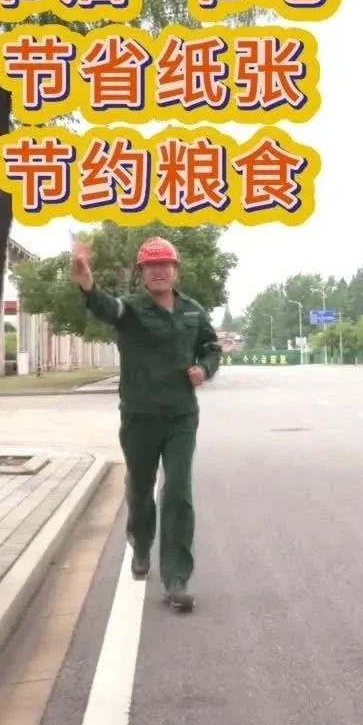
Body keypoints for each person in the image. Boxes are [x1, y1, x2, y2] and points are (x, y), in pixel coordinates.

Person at [72, 235, 221, 612]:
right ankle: (140, 543)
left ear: (175, 270)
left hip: (181, 417)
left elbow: (211, 348)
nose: (158, 272)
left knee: (178, 493)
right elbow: (107, 307)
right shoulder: (131, 309)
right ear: (142, 273)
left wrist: (204, 369)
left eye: (164, 265)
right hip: (139, 417)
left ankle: (176, 577)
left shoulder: (192, 311)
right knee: (140, 489)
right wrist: (87, 283)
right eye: (150, 267)